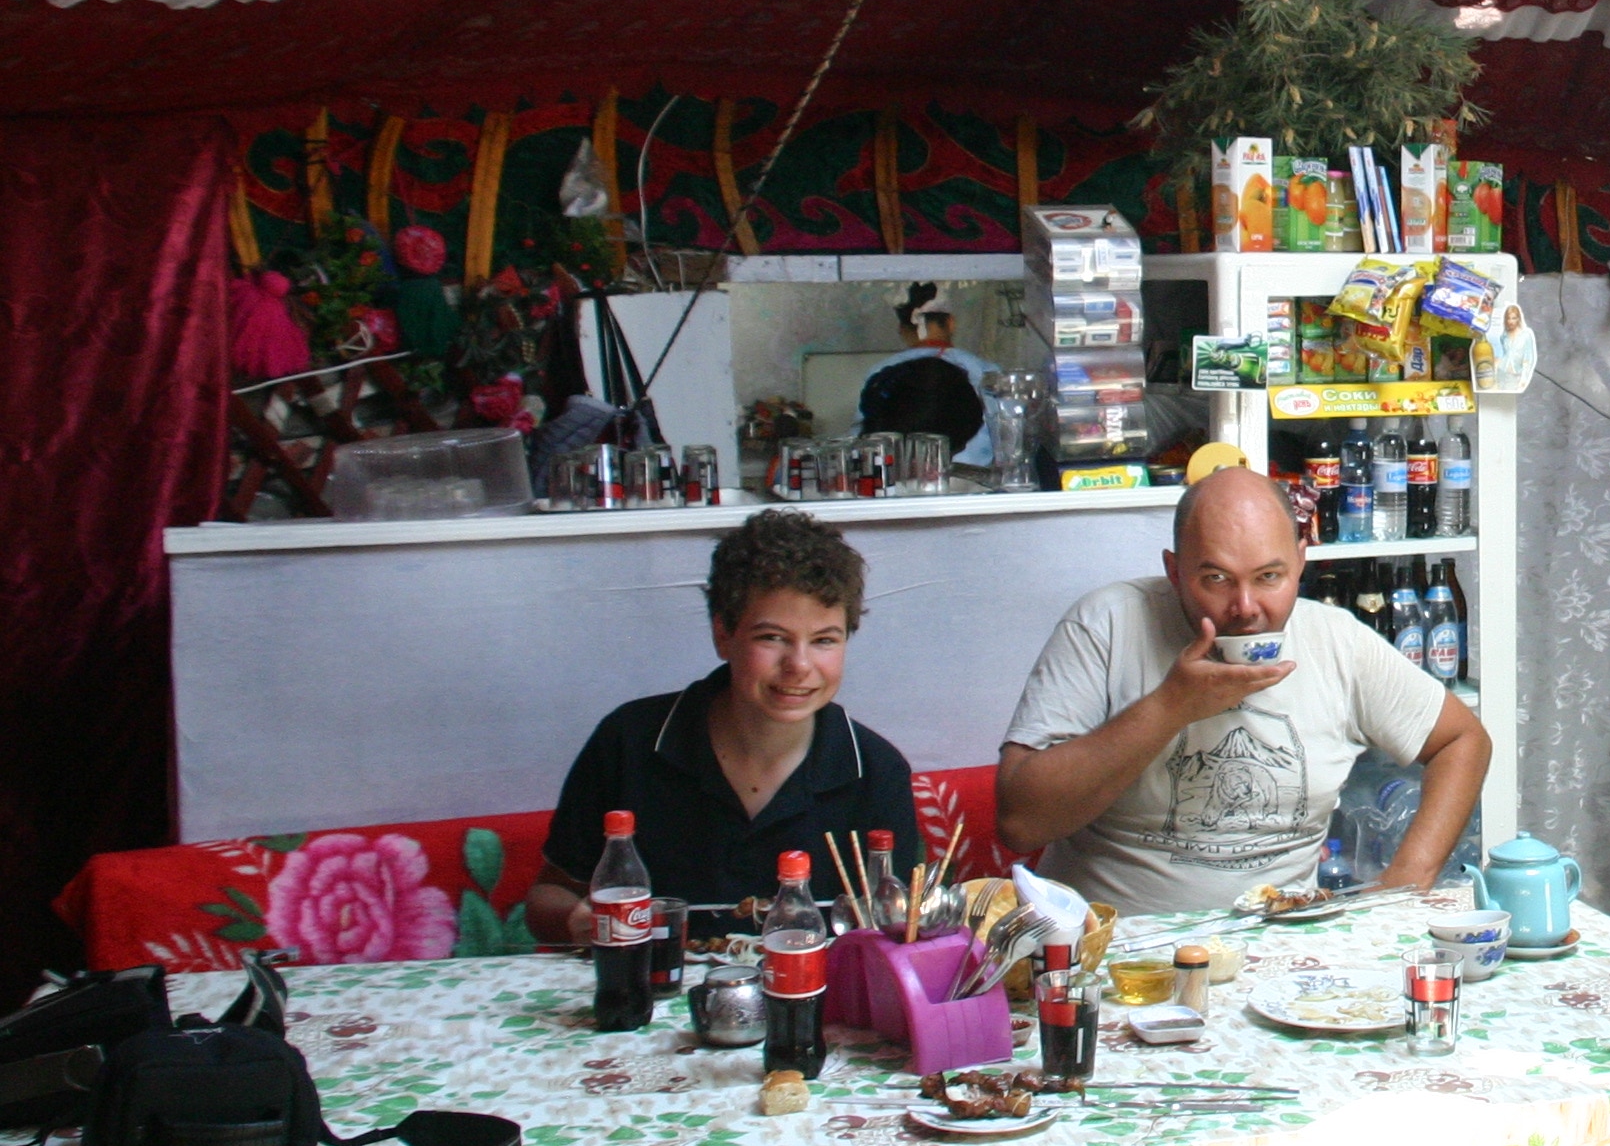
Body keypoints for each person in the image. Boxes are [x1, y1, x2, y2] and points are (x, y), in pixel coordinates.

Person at [997, 467, 1491, 909]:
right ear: (1174, 572)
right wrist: (1169, 707)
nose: (1246, 607)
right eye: (1216, 579)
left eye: (1269, 577)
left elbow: (1463, 739)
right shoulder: (1108, 623)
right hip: (1122, 950)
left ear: (1301, 562)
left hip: (1279, 946)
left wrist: (1404, 883)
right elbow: (1021, 824)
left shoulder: (1336, 640)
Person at [527, 510, 919, 941]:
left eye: (824, 640)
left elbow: (896, 929)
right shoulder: (629, 741)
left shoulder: (876, 771)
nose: (799, 665)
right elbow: (549, 896)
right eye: (772, 637)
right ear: (723, 635)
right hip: (657, 980)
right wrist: (576, 920)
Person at [858, 282, 993, 467]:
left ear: (902, 329)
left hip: (898, 474)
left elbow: (865, 437)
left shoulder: (882, 373)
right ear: (951, 323)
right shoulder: (986, 371)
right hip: (973, 475)